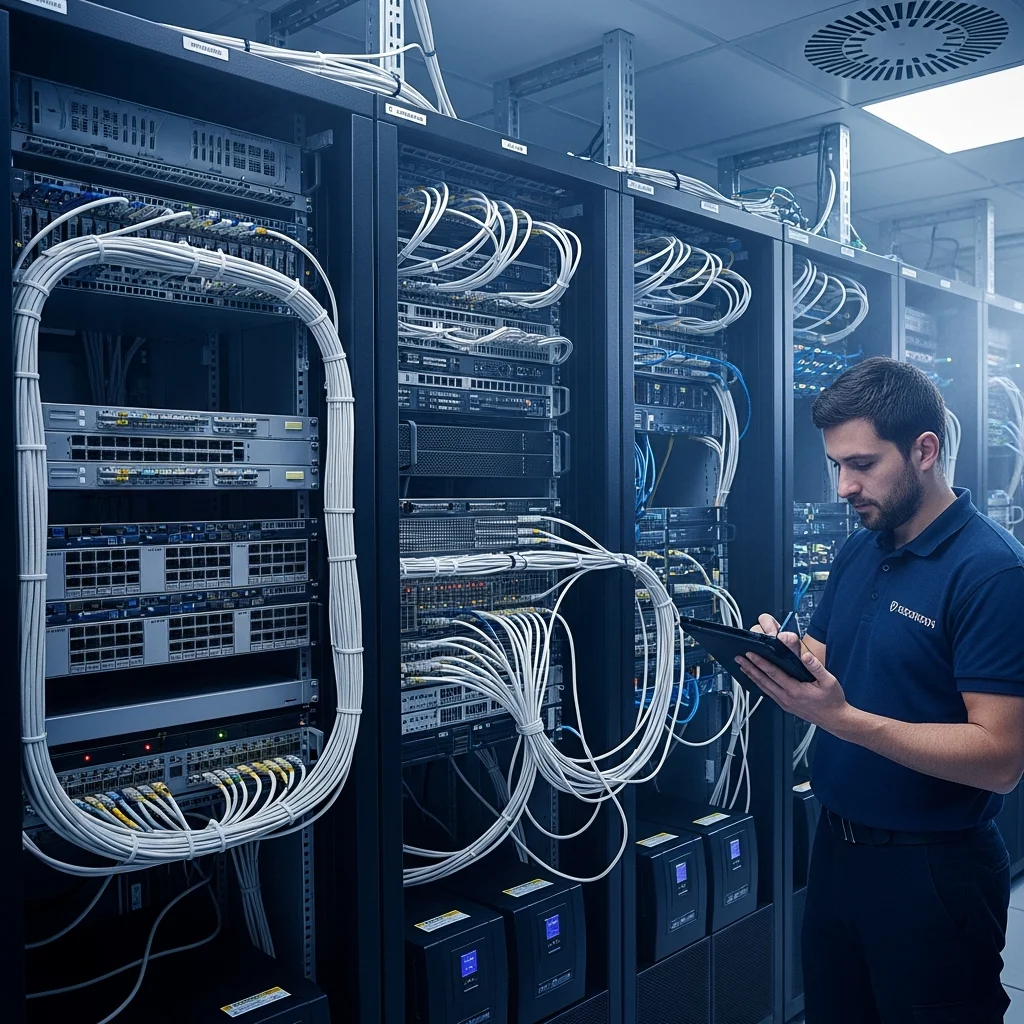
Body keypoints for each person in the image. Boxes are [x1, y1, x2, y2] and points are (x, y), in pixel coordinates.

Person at [735, 357, 1024, 1024]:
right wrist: (785, 653)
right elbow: (837, 660)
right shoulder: (860, 548)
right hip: (837, 856)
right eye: (836, 465)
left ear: (924, 450)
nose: (844, 486)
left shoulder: (992, 572)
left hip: (935, 872)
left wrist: (844, 721)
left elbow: (1003, 758)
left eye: (862, 464)